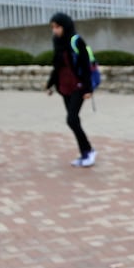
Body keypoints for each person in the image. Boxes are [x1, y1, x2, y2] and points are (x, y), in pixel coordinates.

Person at [44, 12, 96, 168]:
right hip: (64, 87)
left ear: (65, 26)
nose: (55, 30)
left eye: (57, 27)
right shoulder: (57, 41)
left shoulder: (76, 40)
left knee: (71, 119)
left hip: (78, 87)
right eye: (53, 27)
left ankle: (89, 151)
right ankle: (85, 153)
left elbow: (86, 66)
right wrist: (50, 84)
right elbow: (57, 65)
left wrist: (88, 89)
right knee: (74, 120)